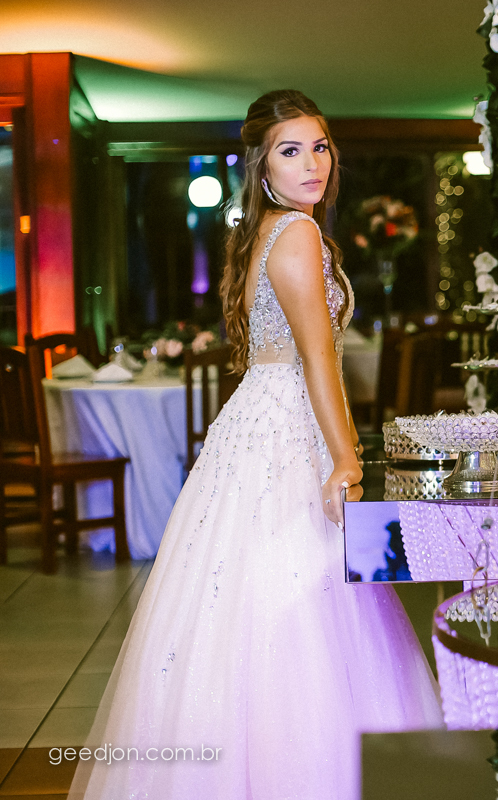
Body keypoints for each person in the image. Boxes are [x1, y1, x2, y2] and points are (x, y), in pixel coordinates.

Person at [68, 90, 442, 799]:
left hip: (258, 424)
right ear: (262, 166)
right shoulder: (296, 234)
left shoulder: (266, 230)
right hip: (285, 431)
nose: (312, 163)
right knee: (301, 603)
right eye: (290, 151)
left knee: (241, 603)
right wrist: (347, 458)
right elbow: (318, 358)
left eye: (320, 147)